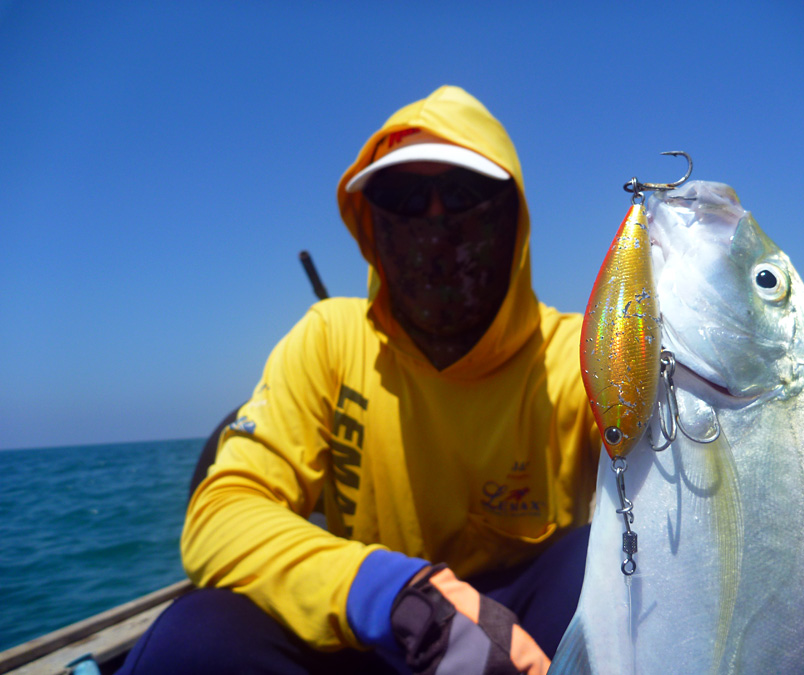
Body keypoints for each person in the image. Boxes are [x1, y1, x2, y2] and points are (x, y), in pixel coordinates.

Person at [117, 85, 601, 674]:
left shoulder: (579, 357)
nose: (434, 220)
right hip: (375, 625)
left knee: (594, 569)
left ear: (512, 216)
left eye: (461, 193)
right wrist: (397, 597)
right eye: (403, 197)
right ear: (372, 224)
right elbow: (222, 510)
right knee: (195, 638)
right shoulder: (330, 339)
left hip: (526, 628)